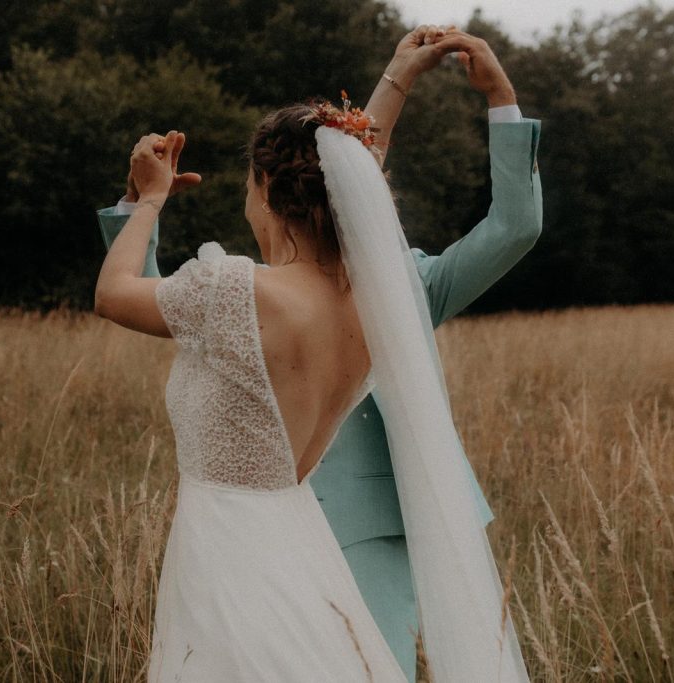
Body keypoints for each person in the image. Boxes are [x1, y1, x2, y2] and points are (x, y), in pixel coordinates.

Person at [95, 25, 541, 682]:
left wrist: (149, 199)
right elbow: (343, 167)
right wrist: (396, 79)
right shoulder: (356, 298)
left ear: (269, 187)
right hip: (272, 526)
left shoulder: (388, 286)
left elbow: (511, 224)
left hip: (356, 523)